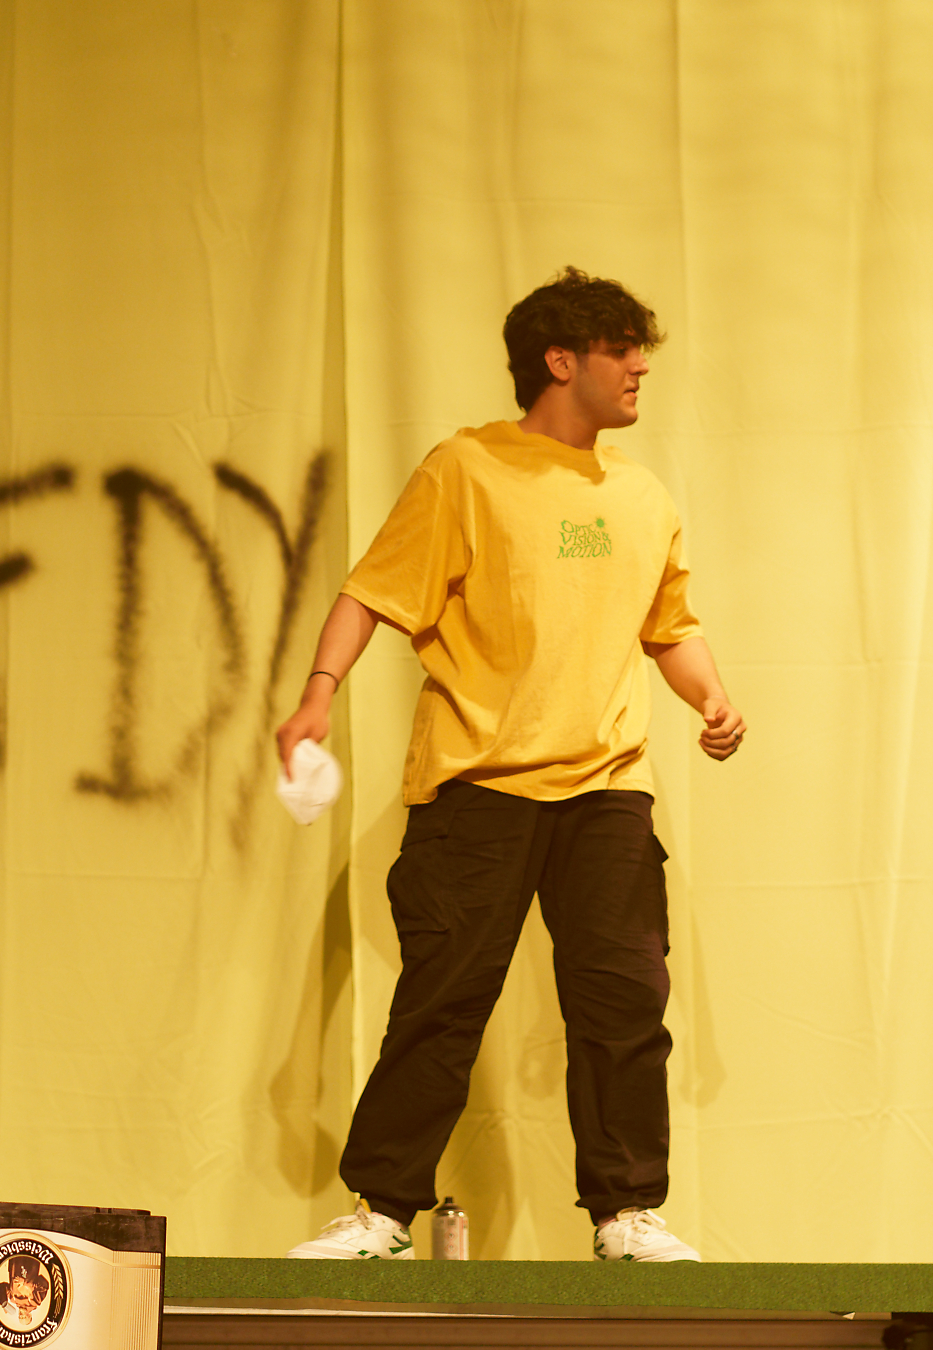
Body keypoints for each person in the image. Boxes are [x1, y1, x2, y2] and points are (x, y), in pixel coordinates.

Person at [276, 267, 745, 1263]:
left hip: (607, 788)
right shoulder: (466, 469)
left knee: (623, 1001)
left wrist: (709, 696)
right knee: (441, 1002)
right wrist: (318, 693)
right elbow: (371, 592)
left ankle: (625, 1213)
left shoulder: (641, 494)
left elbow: (671, 627)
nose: (640, 365)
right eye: (621, 348)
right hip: (478, 783)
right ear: (559, 360)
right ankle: (381, 1212)